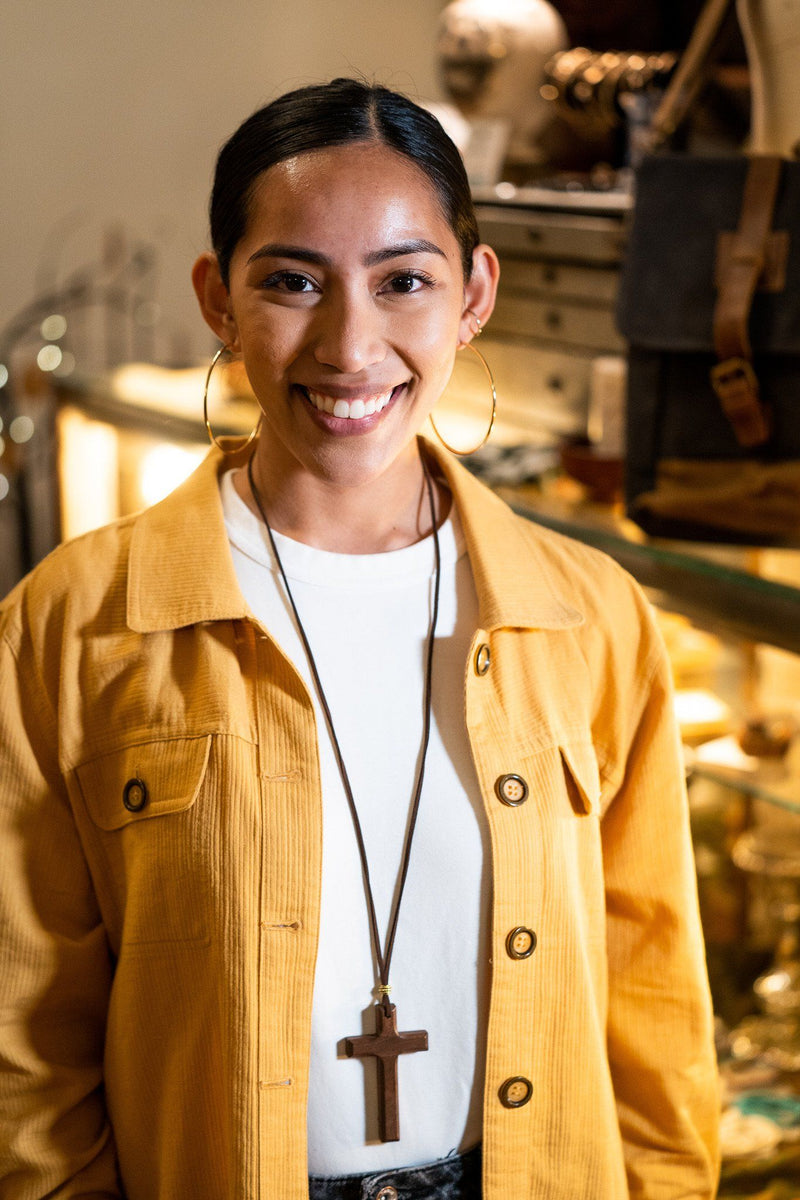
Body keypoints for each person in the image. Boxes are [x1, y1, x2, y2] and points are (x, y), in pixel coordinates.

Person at [0, 78, 719, 1199]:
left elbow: (653, 998)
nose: (350, 345)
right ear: (217, 300)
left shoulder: (590, 617)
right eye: (291, 282)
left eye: (404, 283)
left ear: (473, 295)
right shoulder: (67, 627)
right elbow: (25, 1043)